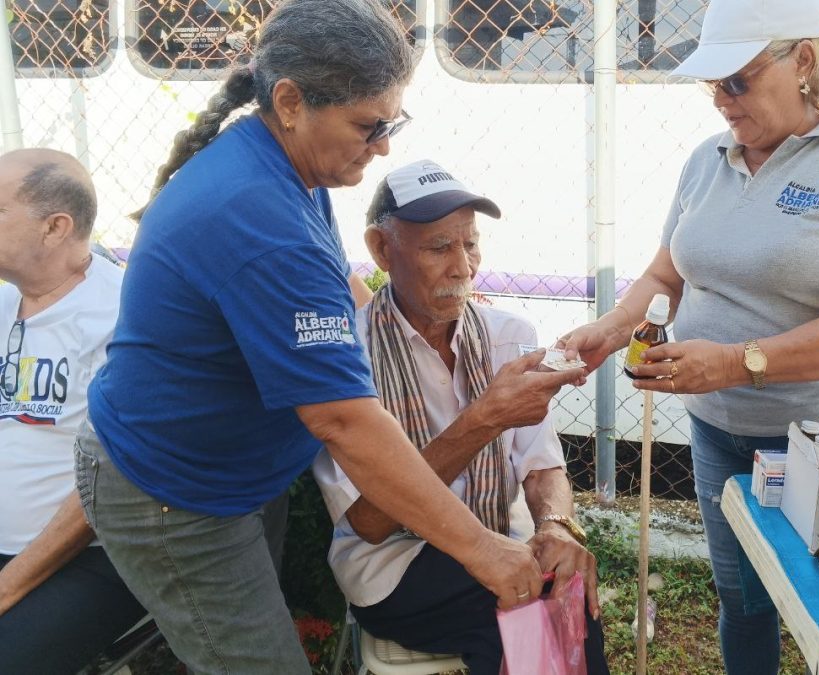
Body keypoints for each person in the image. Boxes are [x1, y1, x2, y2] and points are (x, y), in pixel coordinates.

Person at [75, 1, 580, 672]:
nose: (384, 146)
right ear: (290, 101)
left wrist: (401, 307)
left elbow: (324, 289)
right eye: (369, 126)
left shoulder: (285, 167)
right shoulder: (260, 216)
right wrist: (484, 550)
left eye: (392, 121)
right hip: (177, 489)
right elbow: (344, 421)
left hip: (230, 470)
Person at [559, 0, 819, 673]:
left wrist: (737, 362)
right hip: (719, 430)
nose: (720, 102)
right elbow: (665, 273)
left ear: (804, 61)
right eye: (713, 85)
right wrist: (613, 328)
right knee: (742, 599)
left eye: (736, 81)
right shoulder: (710, 158)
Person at [313, 160, 609, 675]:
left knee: (562, 590)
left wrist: (557, 526)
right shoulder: (347, 354)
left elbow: (542, 466)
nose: (463, 267)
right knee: (516, 608)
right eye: (438, 247)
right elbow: (370, 521)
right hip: (394, 563)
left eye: (470, 244)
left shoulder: (506, 333)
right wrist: (483, 419)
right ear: (382, 249)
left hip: (504, 540)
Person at [0, 148, 144, 673]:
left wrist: (7, 588)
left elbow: (106, 488)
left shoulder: (121, 317)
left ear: (55, 227)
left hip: (87, 558)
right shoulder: (3, 304)